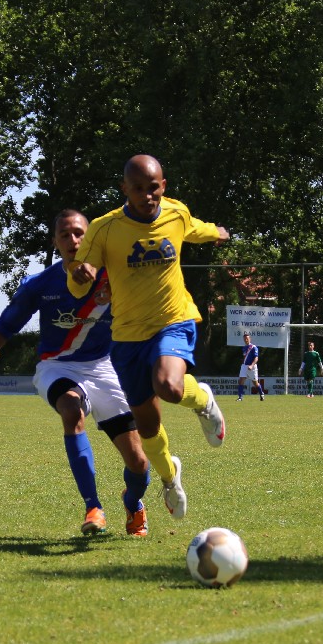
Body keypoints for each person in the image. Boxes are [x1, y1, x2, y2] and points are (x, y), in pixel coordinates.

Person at [0, 210, 153, 536]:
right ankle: (93, 507)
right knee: (70, 408)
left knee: (138, 462)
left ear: (91, 238)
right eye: (65, 234)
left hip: (104, 368)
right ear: (55, 242)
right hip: (57, 366)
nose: (73, 240)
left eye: (79, 233)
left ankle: (132, 502)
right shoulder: (40, 284)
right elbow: (5, 326)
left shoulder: (115, 276)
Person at [67, 154, 229, 521]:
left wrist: (217, 232)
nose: (147, 195)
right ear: (124, 189)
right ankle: (170, 477)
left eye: (153, 188)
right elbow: (80, 276)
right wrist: (80, 274)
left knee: (169, 386)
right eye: (138, 189)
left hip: (173, 320)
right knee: (148, 427)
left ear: (163, 186)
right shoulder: (104, 229)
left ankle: (202, 399)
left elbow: (195, 228)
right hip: (127, 337)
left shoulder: (175, 212)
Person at [237, 333, 266, 401]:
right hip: (244, 366)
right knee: (241, 381)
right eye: (244, 339)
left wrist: (251, 365)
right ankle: (240, 397)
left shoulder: (253, 347)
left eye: (247, 338)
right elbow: (245, 357)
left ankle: (261, 394)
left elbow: (256, 358)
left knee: (255, 383)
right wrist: (243, 364)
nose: (246, 340)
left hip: (252, 367)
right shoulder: (244, 348)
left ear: (250, 339)